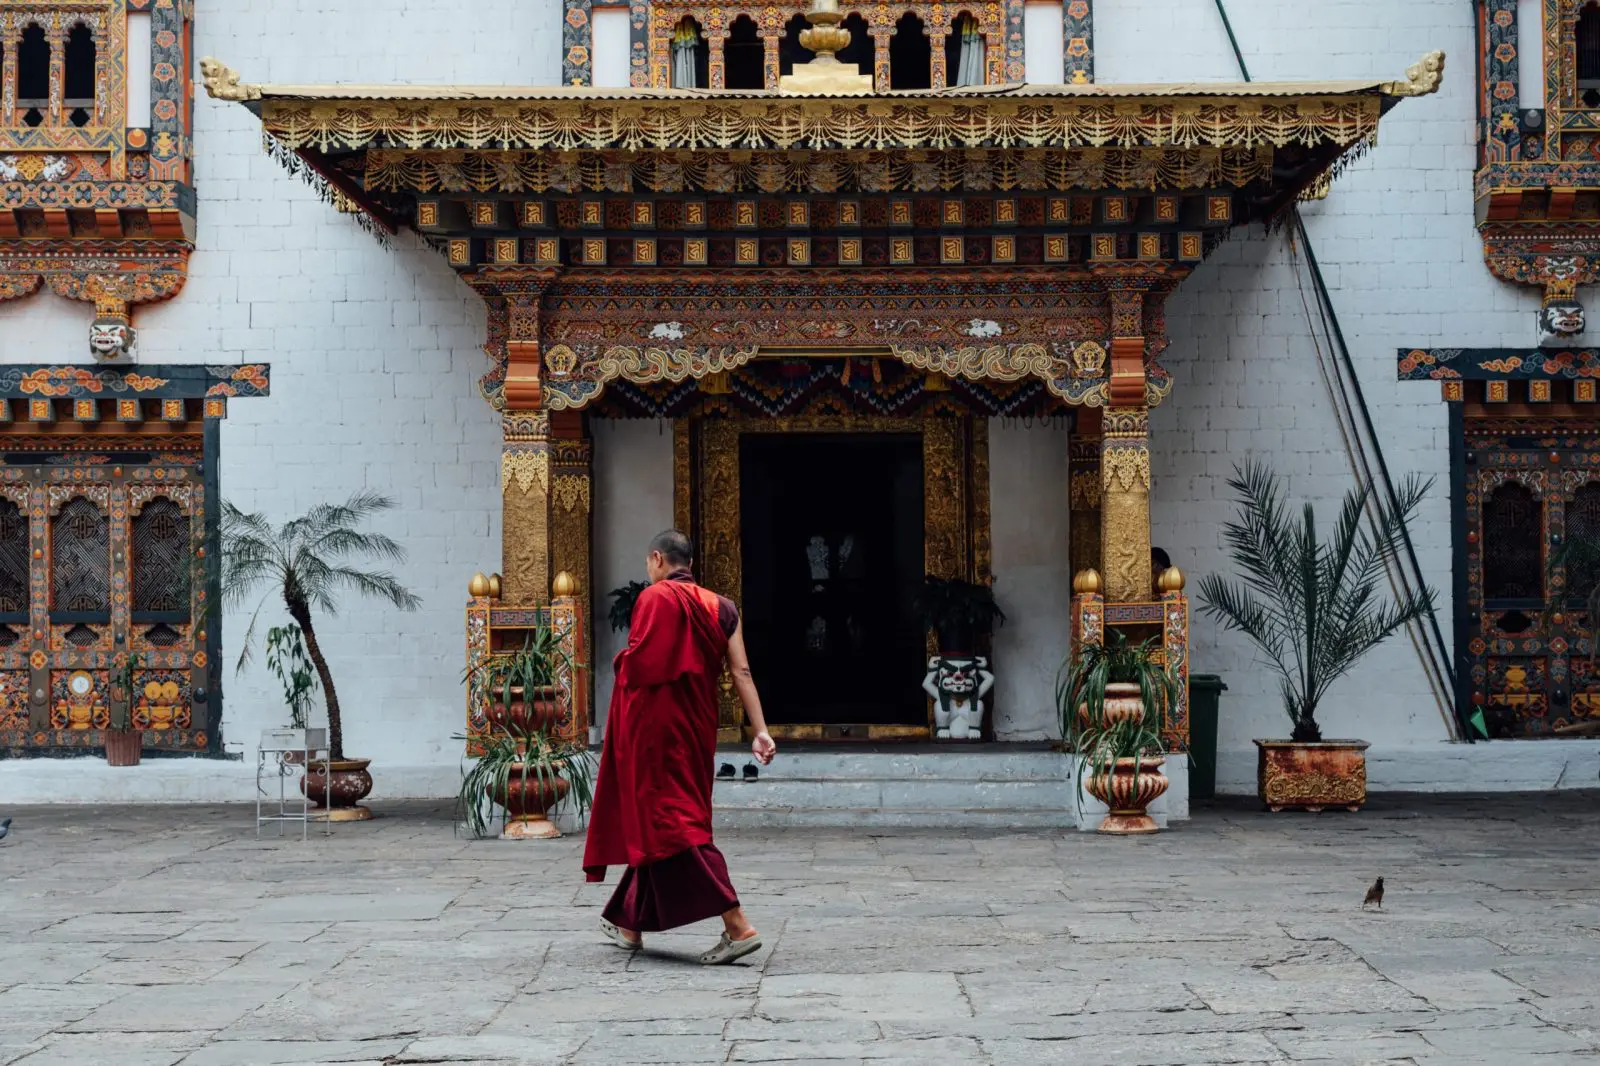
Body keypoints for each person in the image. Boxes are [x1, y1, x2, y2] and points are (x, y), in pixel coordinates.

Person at [582, 529, 777, 965]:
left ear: (657, 559)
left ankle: (737, 923)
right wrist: (759, 730)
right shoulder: (724, 608)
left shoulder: (655, 599)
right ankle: (628, 923)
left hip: (655, 732)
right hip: (696, 729)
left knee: (675, 823)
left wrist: (621, 661)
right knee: (663, 821)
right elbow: (741, 672)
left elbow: (638, 666)